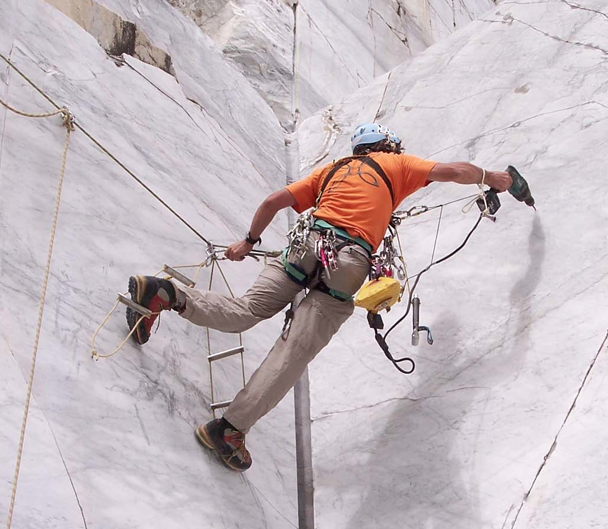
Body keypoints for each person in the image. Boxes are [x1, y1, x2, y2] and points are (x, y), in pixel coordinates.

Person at [126, 123, 512, 472]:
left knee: (246, 310)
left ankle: (166, 294)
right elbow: (456, 171)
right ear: (385, 146)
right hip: (347, 261)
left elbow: (273, 202)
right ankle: (229, 430)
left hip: (303, 243)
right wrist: (491, 177)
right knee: (292, 352)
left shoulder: (331, 170)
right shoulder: (397, 165)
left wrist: (248, 241)